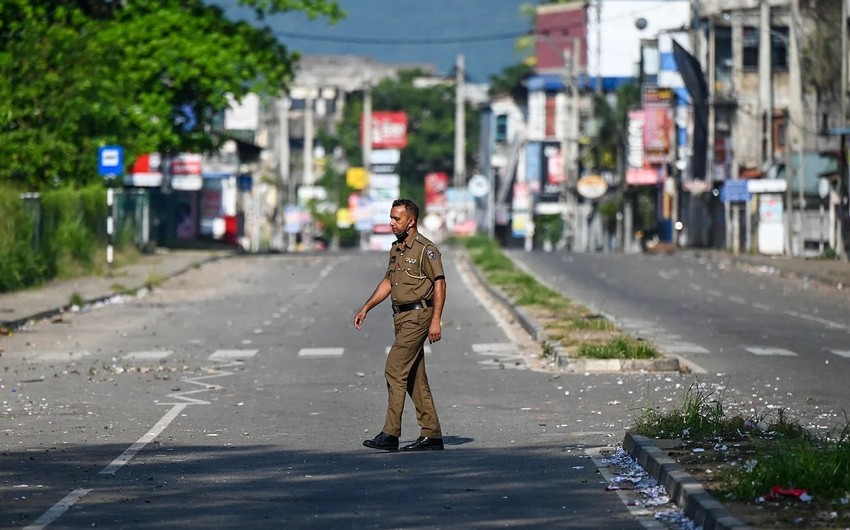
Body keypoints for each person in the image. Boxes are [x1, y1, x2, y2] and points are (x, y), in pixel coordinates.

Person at [354, 198, 446, 452]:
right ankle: (432, 434)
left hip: (419, 316)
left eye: (397, 218)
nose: (391, 223)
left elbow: (440, 283)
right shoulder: (397, 249)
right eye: (391, 217)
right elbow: (388, 282)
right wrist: (366, 307)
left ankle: (390, 433)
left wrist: (436, 320)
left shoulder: (425, 249)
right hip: (401, 317)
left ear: (411, 221)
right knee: (414, 376)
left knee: (394, 370)